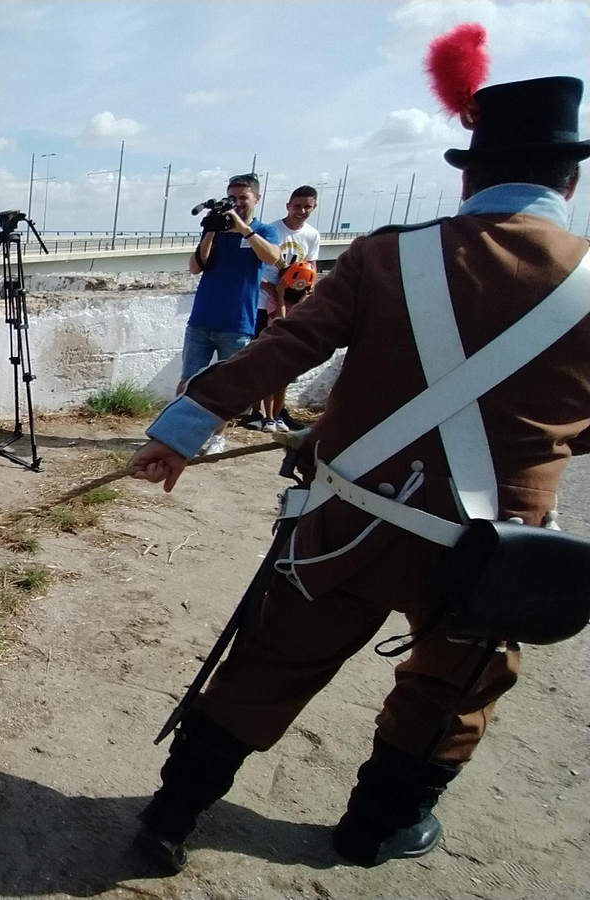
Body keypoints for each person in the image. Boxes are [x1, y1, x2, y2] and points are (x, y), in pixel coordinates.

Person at [126, 61, 590, 873]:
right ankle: (377, 829)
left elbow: (283, 347)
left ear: (470, 175)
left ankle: (170, 817)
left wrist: (183, 431)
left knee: (266, 663)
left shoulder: (386, 259)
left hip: (353, 524)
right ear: (572, 180)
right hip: (494, 554)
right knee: (454, 692)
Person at [181, 174, 282, 454]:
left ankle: (217, 438)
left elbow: (272, 257)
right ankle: (180, 433)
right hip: (202, 318)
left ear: (256, 199)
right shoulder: (217, 231)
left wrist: (242, 229)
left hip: (237, 322)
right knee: (189, 380)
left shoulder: (264, 231)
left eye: (243, 198)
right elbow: (195, 267)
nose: (236, 204)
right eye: (232, 198)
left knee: (225, 385)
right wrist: (212, 231)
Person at [254, 186, 322, 432]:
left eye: (307, 206)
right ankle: (257, 413)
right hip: (264, 303)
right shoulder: (273, 231)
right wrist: (274, 292)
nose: (301, 211)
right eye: (297, 206)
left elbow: (311, 267)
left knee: (283, 363)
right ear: (288, 205)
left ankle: (277, 413)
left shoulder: (312, 235)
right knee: (260, 358)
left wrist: (306, 291)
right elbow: (257, 269)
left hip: (291, 303)